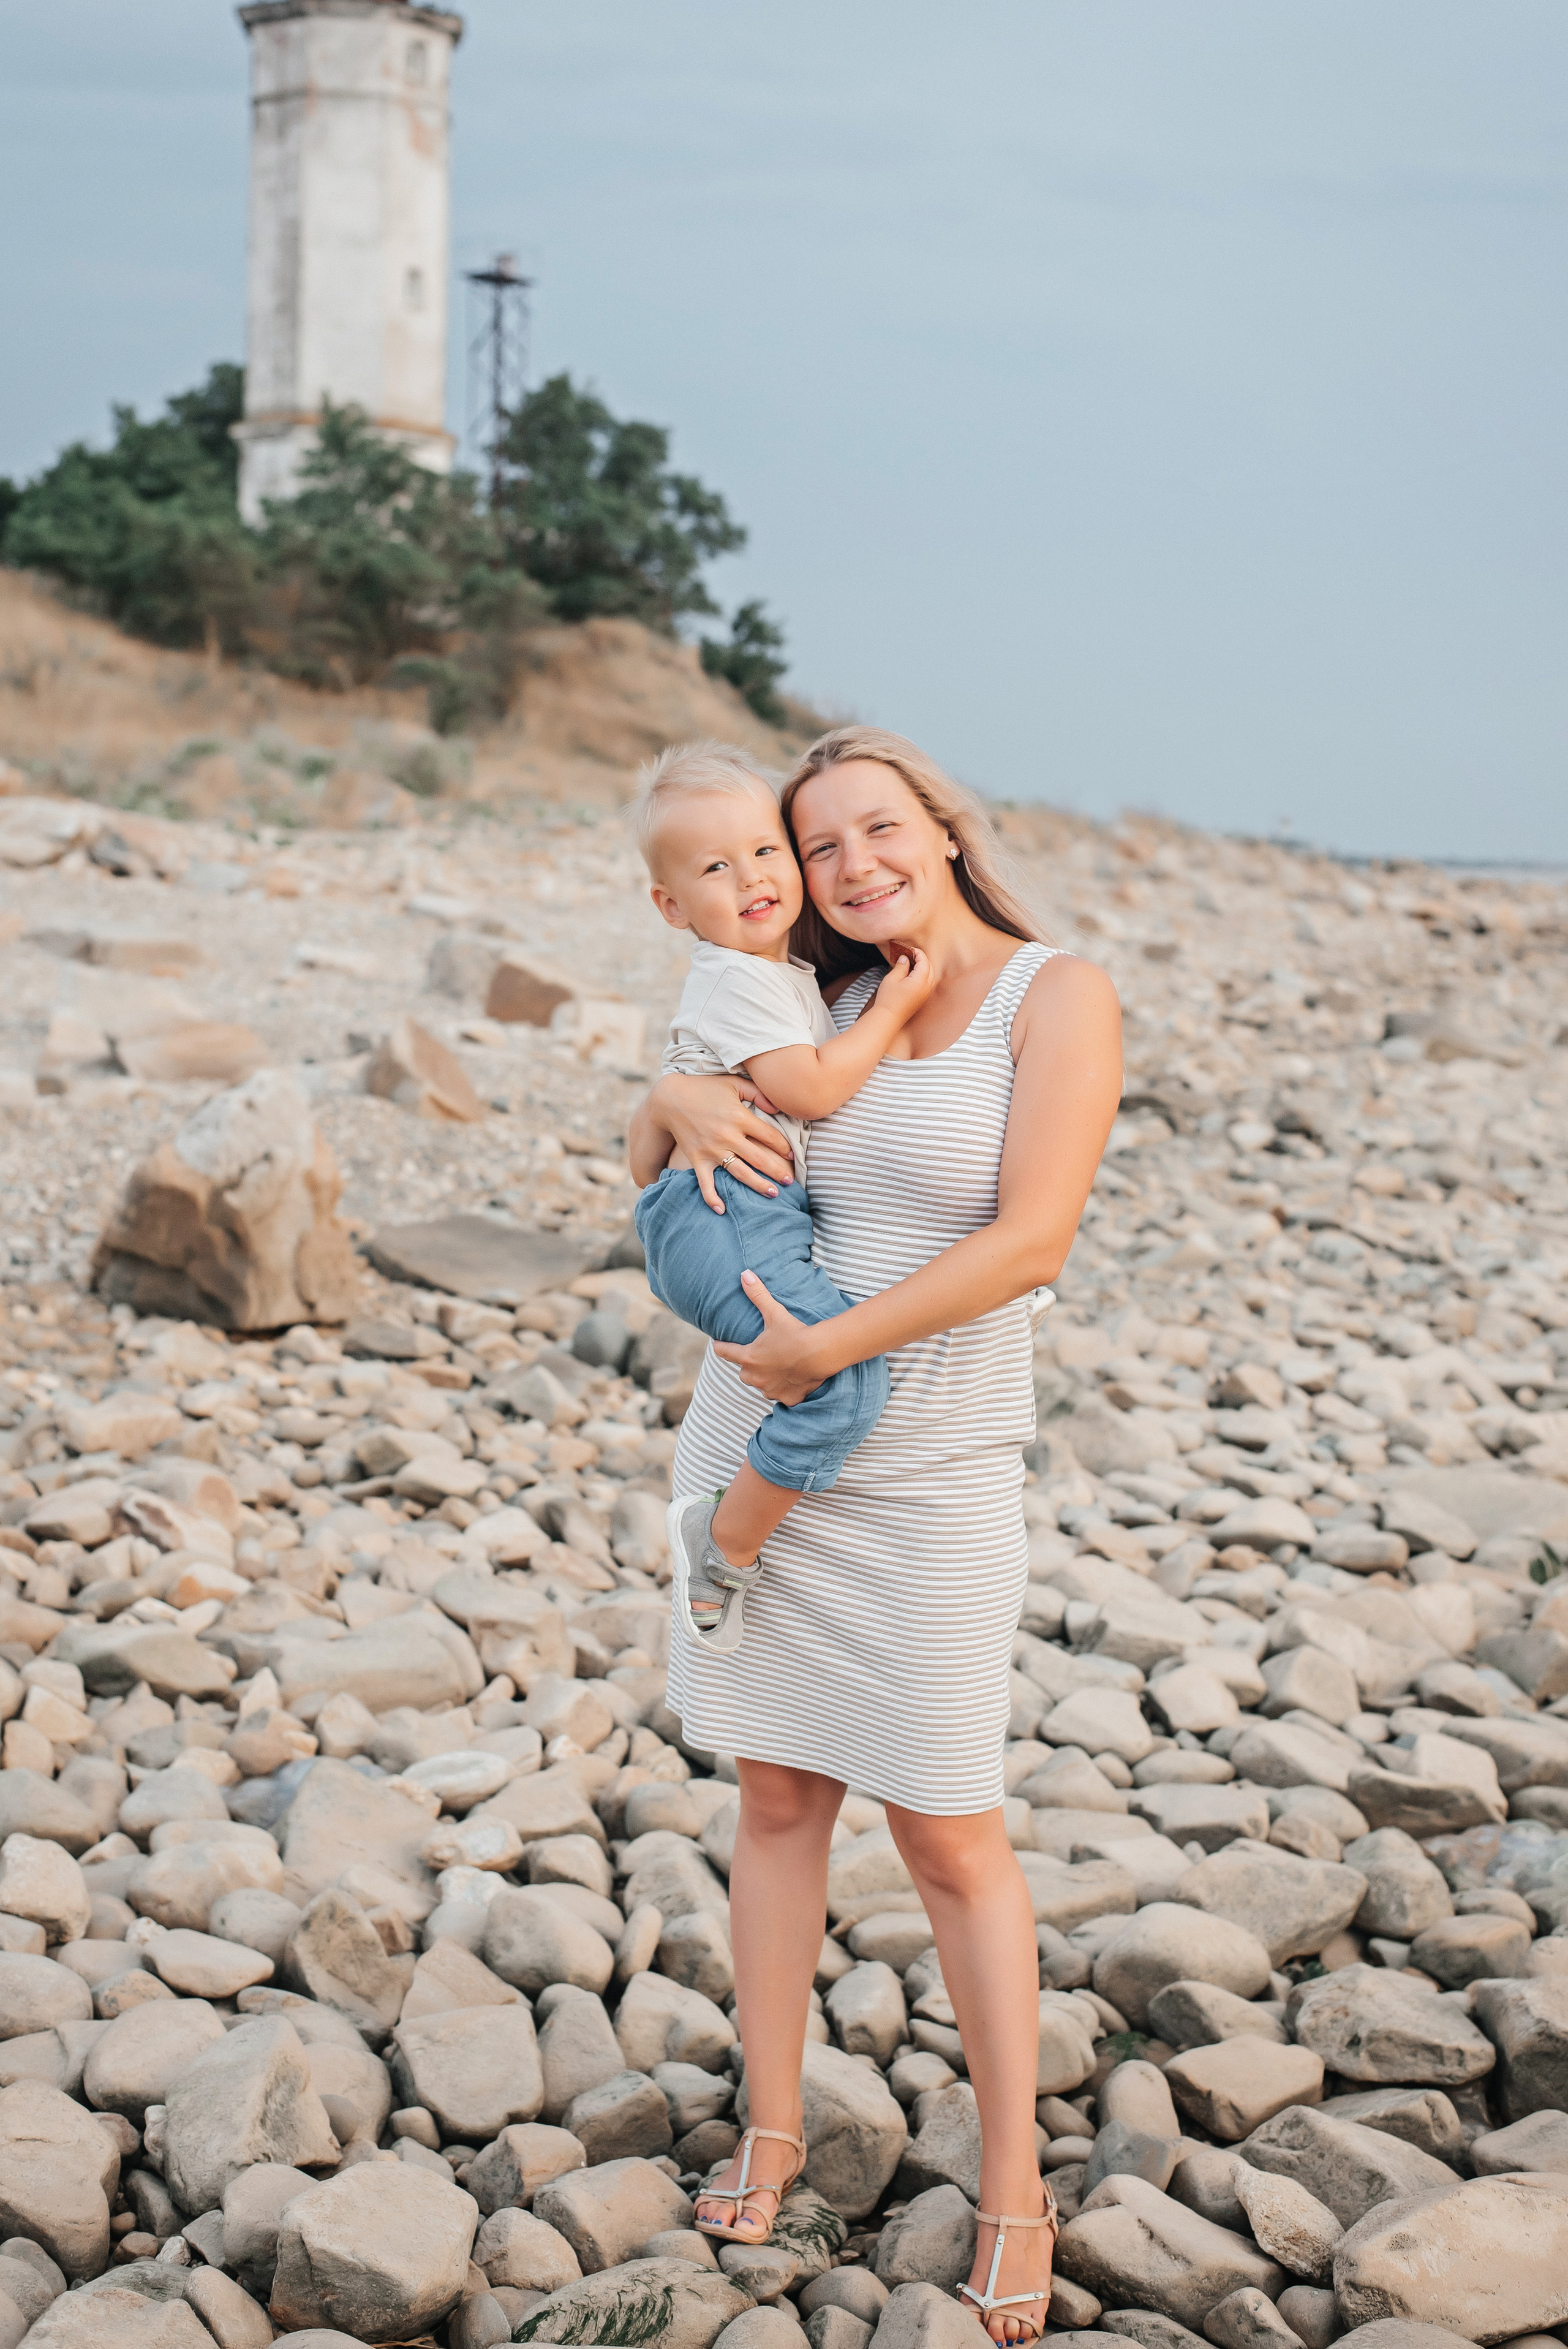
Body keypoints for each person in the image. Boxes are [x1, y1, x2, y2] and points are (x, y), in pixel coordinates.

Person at [628, 726, 1122, 2344]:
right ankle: (771, 2124)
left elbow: (1032, 1239)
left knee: (951, 1835)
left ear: (946, 827)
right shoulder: (808, 999)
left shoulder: (1059, 995)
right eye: (816, 842)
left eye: (875, 828)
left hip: (933, 1464)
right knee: (776, 1797)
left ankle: (1015, 2189)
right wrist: (665, 1100)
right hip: (765, 1432)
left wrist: (830, 1352)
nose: (848, 865)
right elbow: (657, 1167)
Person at [628, 741, 934, 1650]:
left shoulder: (779, 974)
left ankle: (741, 1524)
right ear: (673, 907)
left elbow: (652, 1144)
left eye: (767, 850)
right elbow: (809, 1092)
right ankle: (722, 1541)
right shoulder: (741, 979)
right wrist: (888, 1013)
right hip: (726, 1217)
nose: (754, 877)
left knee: (837, 1379)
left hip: (724, 1213)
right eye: (718, 867)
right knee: (838, 1386)